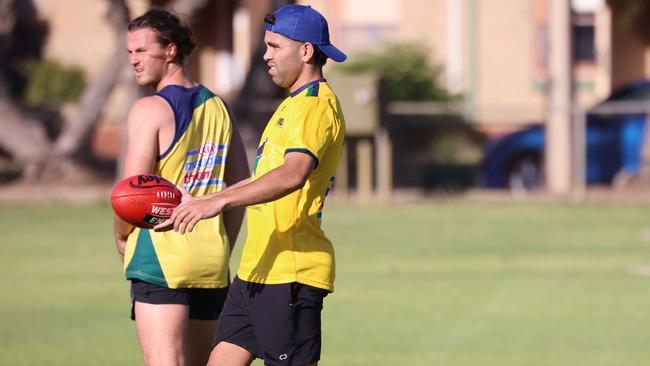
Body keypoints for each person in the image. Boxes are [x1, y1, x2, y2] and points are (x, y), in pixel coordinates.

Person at [155, 4, 347, 366]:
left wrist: (219, 202)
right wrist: (203, 199)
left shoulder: (316, 107)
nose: (265, 55)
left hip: (290, 272)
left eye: (274, 46)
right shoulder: (290, 105)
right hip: (256, 270)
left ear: (306, 51)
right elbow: (263, 180)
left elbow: (293, 174)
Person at [113, 9, 249, 366]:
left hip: (160, 259)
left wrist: (121, 237)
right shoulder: (221, 107)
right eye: (130, 53)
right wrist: (223, 246)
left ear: (170, 50)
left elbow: (130, 193)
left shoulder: (150, 109)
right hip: (211, 261)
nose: (134, 61)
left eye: (142, 51)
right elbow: (239, 190)